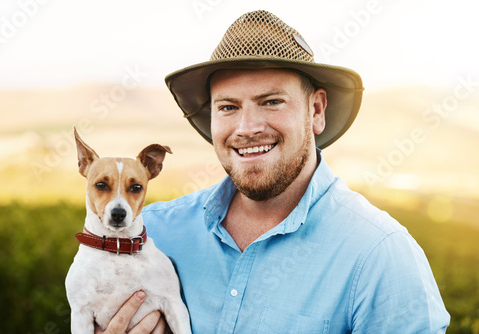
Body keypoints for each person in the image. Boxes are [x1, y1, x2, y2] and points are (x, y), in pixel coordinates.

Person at [98, 10, 450, 333]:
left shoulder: (380, 255)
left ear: (315, 110)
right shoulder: (152, 233)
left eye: (271, 102)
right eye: (228, 107)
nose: (247, 127)